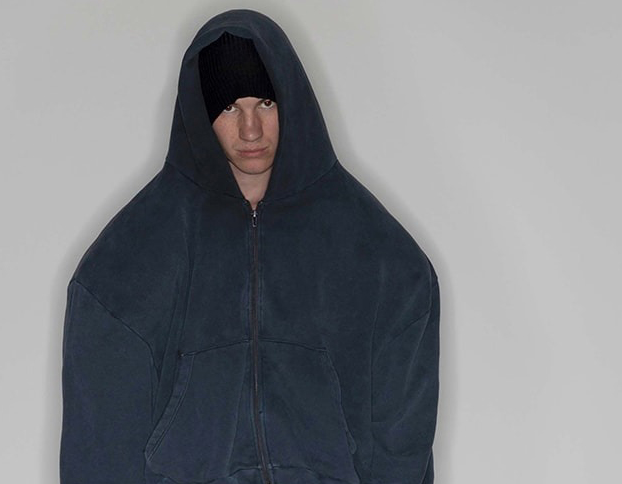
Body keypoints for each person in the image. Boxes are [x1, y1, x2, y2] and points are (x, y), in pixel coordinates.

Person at [60, 9, 440, 484]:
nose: (251, 130)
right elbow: (99, 438)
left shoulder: (378, 252)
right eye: (228, 108)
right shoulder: (131, 256)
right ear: (201, 113)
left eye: (264, 102)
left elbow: (403, 434)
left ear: (292, 101)